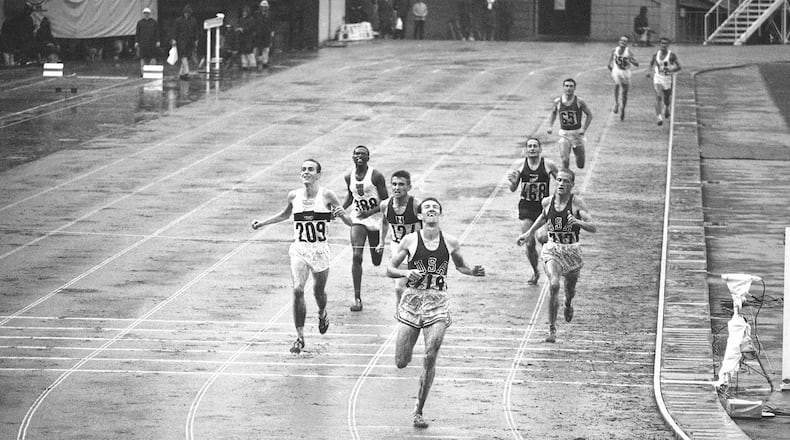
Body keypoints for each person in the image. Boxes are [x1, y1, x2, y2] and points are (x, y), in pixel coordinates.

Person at [387, 197, 485, 428]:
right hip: (411, 302)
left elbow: (460, 265)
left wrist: (472, 271)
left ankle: (418, 410)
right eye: (426, 208)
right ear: (420, 216)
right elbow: (390, 269)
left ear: (440, 214)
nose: (430, 210)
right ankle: (409, 357)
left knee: (431, 354)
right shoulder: (409, 240)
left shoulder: (450, 242)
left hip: (437, 303)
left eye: (435, 208)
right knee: (401, 361)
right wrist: (405, 273)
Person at [251, 159, 352, 354]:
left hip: (320, 251)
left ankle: (322, 313)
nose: (306, 172)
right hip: (299, 249)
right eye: (303, 169)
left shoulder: (327, 195)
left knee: (318, 293)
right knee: (298, 290)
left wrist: (342, 215)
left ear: (318, 174)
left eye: (310, 169)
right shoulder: (293, 195)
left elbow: (348, 221)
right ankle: (300, 337)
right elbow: (284, 215)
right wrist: (262, 223)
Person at [516, 168, 596, 343]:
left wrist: (578, 222)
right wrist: (528, 233)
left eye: (565, 181)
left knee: (570, 289)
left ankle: (567, 303)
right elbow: (543, 218)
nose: (561, 184)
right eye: (559, 180)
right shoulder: (547, 202)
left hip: (572, 251)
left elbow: (593, 227)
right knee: (553, 284)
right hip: (552, 248)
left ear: (572, 185)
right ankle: (552, 329)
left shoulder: (577, 204)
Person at [342, 145, 389, 311]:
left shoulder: (376, 176)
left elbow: (385, 202)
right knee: (356, 256)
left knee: (376, 260)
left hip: (375, 220)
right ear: (352, 157)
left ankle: (379, 248)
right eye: (356, 154)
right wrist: (341, 208)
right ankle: (357, 298)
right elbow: (351, 195)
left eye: (363, 154)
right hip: (358, 219)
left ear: (368, 158)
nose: (359, 156)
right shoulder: (349, 176)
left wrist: (369, 212)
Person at [508, 137, 559, 285]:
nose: (532, 149)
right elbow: (513, 189)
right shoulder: (520, 165)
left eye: (535, 146)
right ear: (525, 150)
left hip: (542, 208)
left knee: (543, 238)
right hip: (526, 207)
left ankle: (550, 270)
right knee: (529, 243)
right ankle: (536, 271)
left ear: (540, 149)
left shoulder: (548, 164)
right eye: (529, 146)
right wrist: (512, 182)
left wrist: (555, 198)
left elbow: (560, 180)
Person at [377, 170, 422, 310]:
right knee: (399, 288)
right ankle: (402, 318)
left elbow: (429, 225)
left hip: (416, 249)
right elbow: (384, 223)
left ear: (409, 187)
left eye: (401, 184)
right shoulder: (385, 205)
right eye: (394, 184)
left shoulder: (416, 205)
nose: (397, 187)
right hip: (398, 248)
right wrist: (381, 242)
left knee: (418, 288)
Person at [546, 78, 592, 169]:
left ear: (574, 88)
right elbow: (553, 113)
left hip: (577, 134)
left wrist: (584, 129)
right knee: (564, 159)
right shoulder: (558, 101)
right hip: (564, 133)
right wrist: (550, 126)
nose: (568, 88)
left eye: (571, 86)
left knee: (580, 164)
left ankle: (579, 156)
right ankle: (565, 179)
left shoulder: (579, 101)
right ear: (563, 87)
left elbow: (589, 115)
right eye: (566, 86)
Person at [647, 37, 681, 126]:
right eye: (662, 43)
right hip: (658, 78)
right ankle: (659, 117)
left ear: (668, 45)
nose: (663, 45)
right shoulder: (656, 55)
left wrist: (671, 70)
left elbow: (679, 66)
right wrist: (649, 72)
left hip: (667, 79)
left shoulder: (671, 55)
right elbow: (651, 64)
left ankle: (666, 107)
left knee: (666, 99)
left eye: (665, 44)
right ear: (659, 44)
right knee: (658, 96)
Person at [607, 35, 639, 121]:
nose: (623, 42)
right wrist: (612, 70)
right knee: (617, 84)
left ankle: (623, 109)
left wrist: (631, 60)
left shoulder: (629, 52)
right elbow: (609, 63)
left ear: (627, 43)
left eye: (625, 41)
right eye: (622, 40)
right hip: (617, 70)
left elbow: (637, 64)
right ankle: (616, 103)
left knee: (624, 93)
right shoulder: (614, 50)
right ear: (619, 42)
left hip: (626, 72)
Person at [172, 5, 199, 80]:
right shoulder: (179, 20)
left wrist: (196, 40)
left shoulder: (193, 20)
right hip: (181, 41)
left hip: (190, 41)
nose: (187, 14)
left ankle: (181, 73)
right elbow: (175, 30)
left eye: (188, 13)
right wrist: (174, 39)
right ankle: (187, 72)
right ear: (183, 13)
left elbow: (196, 31)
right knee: (183, 56)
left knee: (187, 56)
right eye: (186, 13)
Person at [135, 7, 160, 77]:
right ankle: (143, 73)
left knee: (152, 57)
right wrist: (136, 42)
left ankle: (152, 71)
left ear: (149, 14)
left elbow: (157, 32)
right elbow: (137, 33)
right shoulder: (140, 23)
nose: (146, 15)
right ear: (143, 14)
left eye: (147, 13)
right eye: (145, 13)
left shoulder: (154, 22)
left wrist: (158, 41)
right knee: (143, 58)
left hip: (152, 43)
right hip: (143, 43)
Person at [254, 1, 274, 69]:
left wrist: (272, 32)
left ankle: (265, 62)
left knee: (266, 49)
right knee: (257, 49)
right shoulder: (256, 14)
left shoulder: (270, 14)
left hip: (267, 34)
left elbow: (272, 24)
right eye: (262, 7)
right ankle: (256, 62)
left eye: (265, 7)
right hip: (258, 33)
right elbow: (255, 23)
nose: (264, 8)